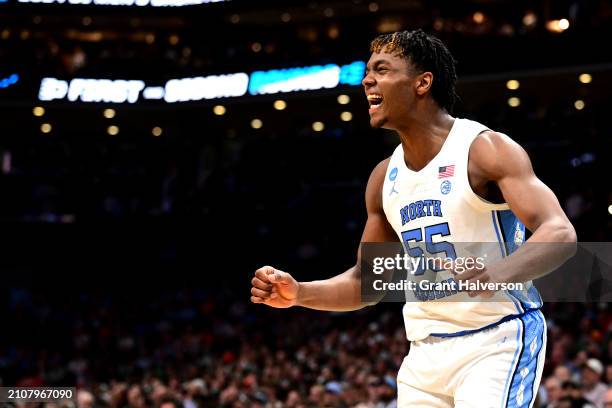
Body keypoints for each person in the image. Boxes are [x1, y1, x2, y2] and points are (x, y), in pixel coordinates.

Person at [250, 29, 576, 407]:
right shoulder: (383, 179)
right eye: (367, 72)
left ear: (422, 82)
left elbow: (560, 231)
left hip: (496, 340)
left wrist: (497, 273)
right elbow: (367, 282)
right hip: (424, 356)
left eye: (382, 70)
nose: (367, 79)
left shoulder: (484, 149)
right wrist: (300, 293)